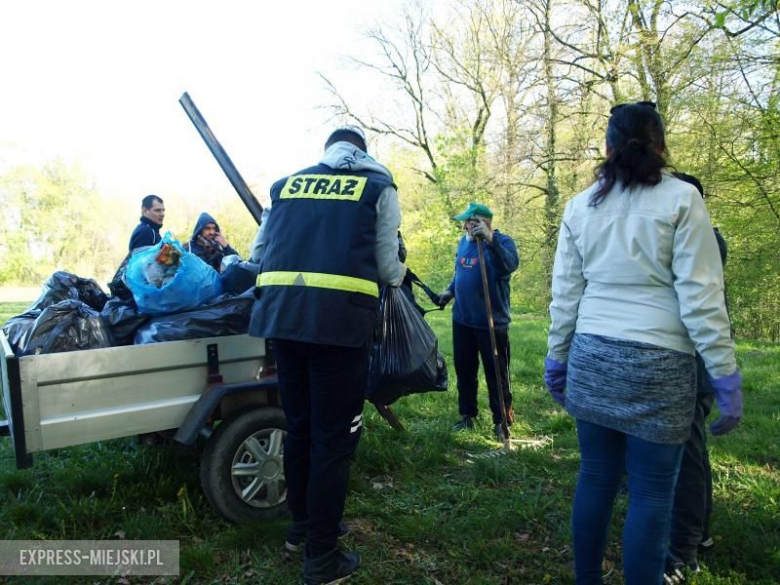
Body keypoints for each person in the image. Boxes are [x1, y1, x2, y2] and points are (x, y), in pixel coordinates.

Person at [544, 102, 742, 584]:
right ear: (662, 145)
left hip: (593, 356)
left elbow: (566, 293)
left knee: (595, 478)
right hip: (660, 363)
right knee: (653, 495)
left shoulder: (579, 205)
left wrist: (557, 356)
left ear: (607, 146)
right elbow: (701, 296)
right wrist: (723, 373)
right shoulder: (681, 199)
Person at [248, 125, 405, 584]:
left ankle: (301, 531)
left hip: (284, 322)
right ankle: (322, 557)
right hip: (340, 327)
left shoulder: (286, 186)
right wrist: (398, 275)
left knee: (300, 430)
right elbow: (386, 265)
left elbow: (260, 253)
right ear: (363, 153)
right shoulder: (378, 186)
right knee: (334, 439)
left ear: (327, 152)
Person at [665, 173, 729, 581]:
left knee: (687, 455)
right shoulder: (701, 238)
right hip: (689, 359)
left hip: (692, 361)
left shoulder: (705, 240)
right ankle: (698, 535)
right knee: (693, 449)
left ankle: (683, 551)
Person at [438, 203, 519, 441]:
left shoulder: (502, 242)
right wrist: (449, 292)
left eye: (471, 222)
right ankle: (467, 415)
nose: (465, 226)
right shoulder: (464, 242)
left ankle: (502, 420)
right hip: (462, 319)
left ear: (483, 222)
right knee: (465, 371)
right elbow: (459, 272)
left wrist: (490, 240)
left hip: (492, 323)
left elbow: (509, 266)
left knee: (497, 374)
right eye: (464, 222)